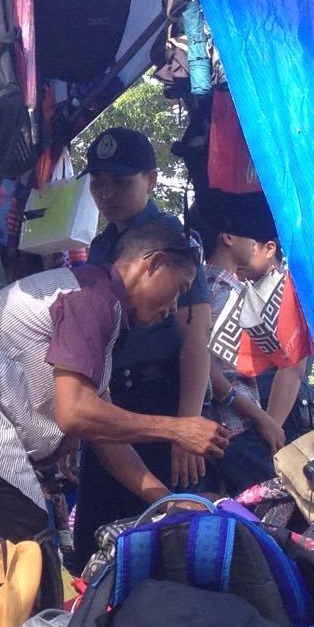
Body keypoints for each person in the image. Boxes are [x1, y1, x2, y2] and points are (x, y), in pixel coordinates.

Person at [0, 217, 227, 624]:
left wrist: (164, 500)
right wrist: (177, 428)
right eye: (179, 290)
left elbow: (104, 432)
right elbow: (76, 411)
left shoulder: (95, 302)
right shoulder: (90, 299)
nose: (174, 309)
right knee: (30, 579)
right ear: (151, 264)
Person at [71, 128, 213, 560]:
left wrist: (185, 428)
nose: (106, 193)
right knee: (95, 539)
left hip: (162, 401)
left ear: (150, 180)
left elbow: (195, 337)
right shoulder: (99, 246)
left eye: (121, 181)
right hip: (107, 402)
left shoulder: (172, 242)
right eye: (98, 181)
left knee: (168, 537)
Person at [199, 224, 307, 496]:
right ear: (229, 235)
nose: (255, 245)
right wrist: (263, 420)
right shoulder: (223, 291)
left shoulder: (200, 285)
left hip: (237, 426)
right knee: (276, 510)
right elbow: (203, 365)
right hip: (236, 428)